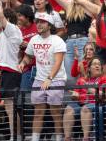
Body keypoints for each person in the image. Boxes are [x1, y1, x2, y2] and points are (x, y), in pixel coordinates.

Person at [19, 12, 67, 141]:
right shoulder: (34, 39)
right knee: (38, 113)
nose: (39, 24)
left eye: (42, 22)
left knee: (55, 113)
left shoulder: (57, 40)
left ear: (50, 25)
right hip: (39, 80)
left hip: (55, 79)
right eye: (37, 22)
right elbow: (28, 56)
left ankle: (58, 138)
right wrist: (23, 63)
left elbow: (58, 62)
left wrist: (49, 79)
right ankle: (35, 139)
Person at [43, 0, 92, 83]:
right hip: (69, 42)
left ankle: (84, 95)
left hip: (83, 41)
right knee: (69, 76)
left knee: (84, 72)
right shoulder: (69, 6)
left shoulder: (88, 6)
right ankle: (74, 95)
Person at [0, 0, 23, 141]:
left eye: (0, 18)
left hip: (11, 72)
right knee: (9, 107)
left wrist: (0, 1)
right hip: (4, 72)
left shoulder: (13, 30)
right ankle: (15, 135)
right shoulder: (2, 34)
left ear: (7, 20)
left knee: (10, 108)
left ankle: (14, 137)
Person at [63, 58, 106, 141]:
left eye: (99, 64)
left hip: (96, 103)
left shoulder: (105, 78)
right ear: (89, 68)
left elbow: (105, 95)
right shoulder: (81, 80)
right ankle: (67, 138)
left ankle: (86, 138)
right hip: (80, 103)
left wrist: (89, 89)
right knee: (68, 109)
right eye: (95, 64)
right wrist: (74, 95)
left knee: (85, 109)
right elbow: (76, 96)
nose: (97, 66)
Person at [16, 5, 37, 89]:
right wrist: (21, 49)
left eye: (20, 16)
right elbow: (19, 56)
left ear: (28, 17)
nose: (18, 18)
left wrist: (29, 46)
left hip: (42, 68)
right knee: (24, 95)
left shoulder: (38, 27)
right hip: (27, 68)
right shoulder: (18, 32)